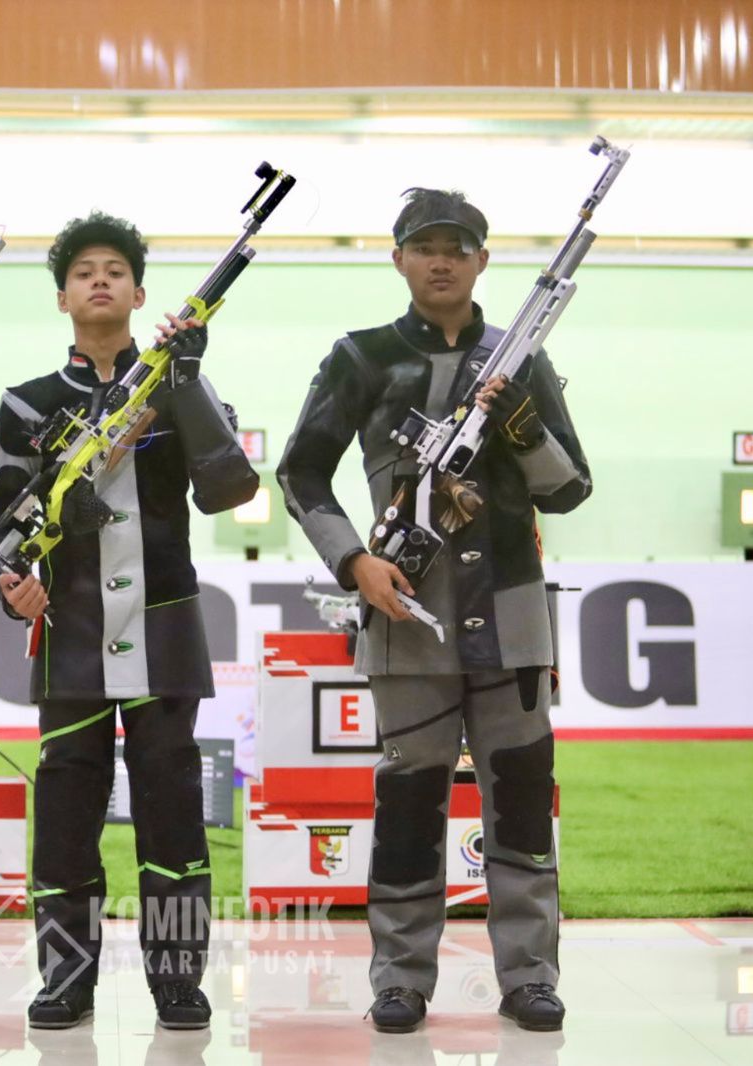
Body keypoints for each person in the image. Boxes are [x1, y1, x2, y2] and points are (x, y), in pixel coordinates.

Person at [277, 188, 591, 1034]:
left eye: (458, 247)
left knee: (521, 803)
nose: (442, 261)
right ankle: (400, 980)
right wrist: (355, 563)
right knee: (410, 807)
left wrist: (522, 426)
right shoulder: (362, 356)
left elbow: (569, 490)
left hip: (513, 622)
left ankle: (530, 975)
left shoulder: (522, 359)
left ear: (483, 260)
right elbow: (301, 472)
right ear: (399, 260)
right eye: (425, 247)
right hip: (405, 618)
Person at [0, 212, 258, 1031]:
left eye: (115, 270)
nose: (99, 280)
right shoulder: (26, 404)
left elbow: (231, 489)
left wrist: (189, 380)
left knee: (173, 812)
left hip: (166, 626)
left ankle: (178, 981)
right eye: (83, 271)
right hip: (69, 633)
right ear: (62, 297)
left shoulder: (182, 382)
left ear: (139, 294)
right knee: (66, 814)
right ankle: (66, 979)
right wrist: (12, 580)